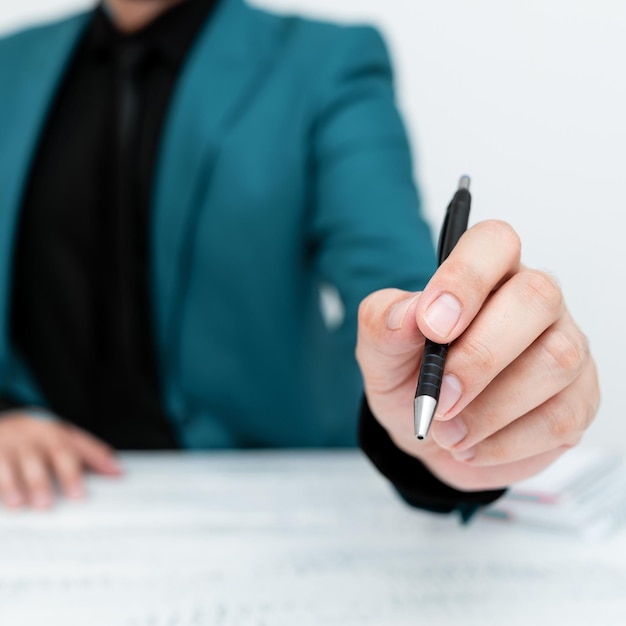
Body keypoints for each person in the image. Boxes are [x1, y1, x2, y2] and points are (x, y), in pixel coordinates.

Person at [0, 0, 599, 516]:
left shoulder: (325, 63)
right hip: (43, 503)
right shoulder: (12, 64)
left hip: (255, 499)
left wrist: (442, 409)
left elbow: (391, 287)